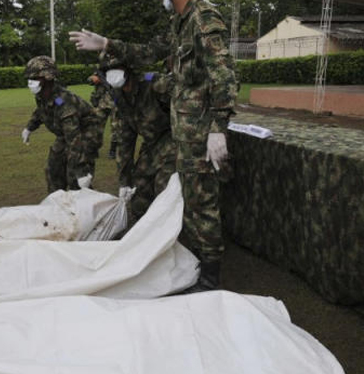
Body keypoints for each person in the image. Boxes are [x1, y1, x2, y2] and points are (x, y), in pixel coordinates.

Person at [69, 0, 238, 291]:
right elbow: (148, 52)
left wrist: (218, 127)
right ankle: (198, 260)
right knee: (191, 201)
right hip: (184, 132)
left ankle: (211, 275)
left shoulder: (203, 16)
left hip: (199, 132)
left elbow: (223, 72)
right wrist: (107, 43)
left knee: (202, 203)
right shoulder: (179, 22)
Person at [98, 54, 177, 222]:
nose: (112, 74)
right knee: (138, 187)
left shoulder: (154, 84)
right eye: (108, 71)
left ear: (129, 70)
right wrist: (124, 181)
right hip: (151, 144)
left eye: (116, 69)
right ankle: (141, 230)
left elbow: (189, 105)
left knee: (165, 187)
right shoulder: (119, 97)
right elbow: (125, 140)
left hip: (173, 140)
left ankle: (172, 234)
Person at [21, 55, 102, 193]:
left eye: (35, 78)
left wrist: (82, 169)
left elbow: (75, 140)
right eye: (30, 78)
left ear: (48, 78)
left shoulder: (64, 101)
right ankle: (57, 204)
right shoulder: (42, 95)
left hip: (85, 135)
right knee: (53, 169)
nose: (31, 82)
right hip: (67, 134)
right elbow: (40, 111)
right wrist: (29, 128)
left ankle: (86, 205)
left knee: (76, 178)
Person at [87, 68, 121, 159]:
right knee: (96, 125)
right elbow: (89, 80)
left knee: (115, 127)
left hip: (116, 103)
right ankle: (94, 149)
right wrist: (93, 78)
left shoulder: (119, 70)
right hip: (101, 103)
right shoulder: (101, 70)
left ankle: (113, 150)